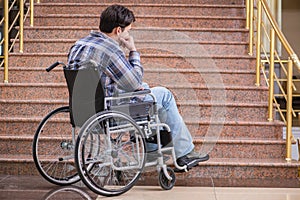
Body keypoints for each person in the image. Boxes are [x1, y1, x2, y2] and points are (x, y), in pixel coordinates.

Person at [67, 4, 209, 171]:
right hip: (110, 112)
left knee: (145, 91)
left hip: (83, 111)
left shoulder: (80, 44)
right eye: (128, 30)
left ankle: (153, 149)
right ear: (118, 31)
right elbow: (133, 81)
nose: (129, 34)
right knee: (164, 96)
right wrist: (133, 50)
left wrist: (136, 88)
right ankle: (182, 152)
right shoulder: (111, 50)